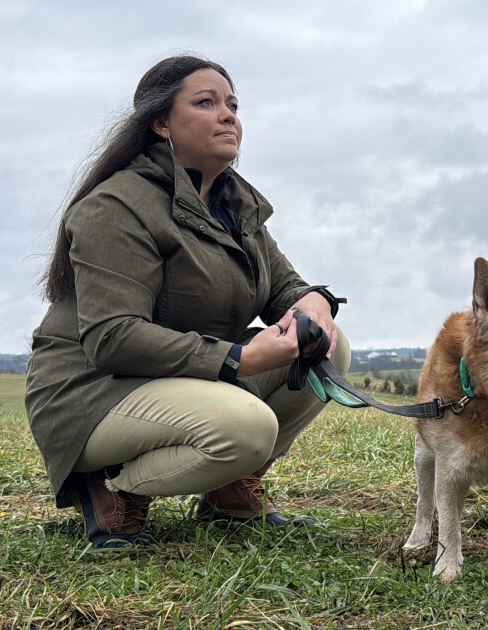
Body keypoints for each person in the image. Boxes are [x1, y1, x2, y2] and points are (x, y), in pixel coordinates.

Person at [25, 55, 350, 548]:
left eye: (233, 104)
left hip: (177, 376)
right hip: (94, 389)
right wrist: (239, 359)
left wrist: (315, 305)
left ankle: (226, 489)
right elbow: (112, 338)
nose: (229, 116)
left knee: (329, 344)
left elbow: (283, 287)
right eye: (206, 103)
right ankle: (112, 487)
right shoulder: (116, 206)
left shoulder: (233, 204)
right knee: (246, 428)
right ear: (161, 123)